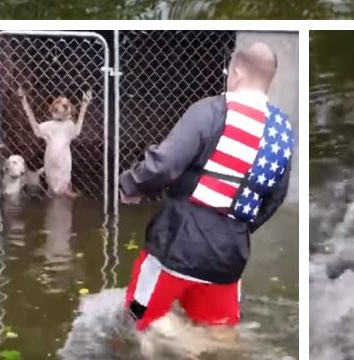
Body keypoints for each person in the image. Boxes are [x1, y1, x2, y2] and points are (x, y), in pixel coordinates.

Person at [119, 41, 295, 345]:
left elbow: (165, 165)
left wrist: (131, 186)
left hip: (178, 246)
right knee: (221, 331)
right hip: (229, 257)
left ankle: (183, 340)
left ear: (237, 72)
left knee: (135, 314)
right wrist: (237, 228)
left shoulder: (212, 110)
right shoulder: (282, 130)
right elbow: (274, 198)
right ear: (270, 80)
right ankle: (204, 344)